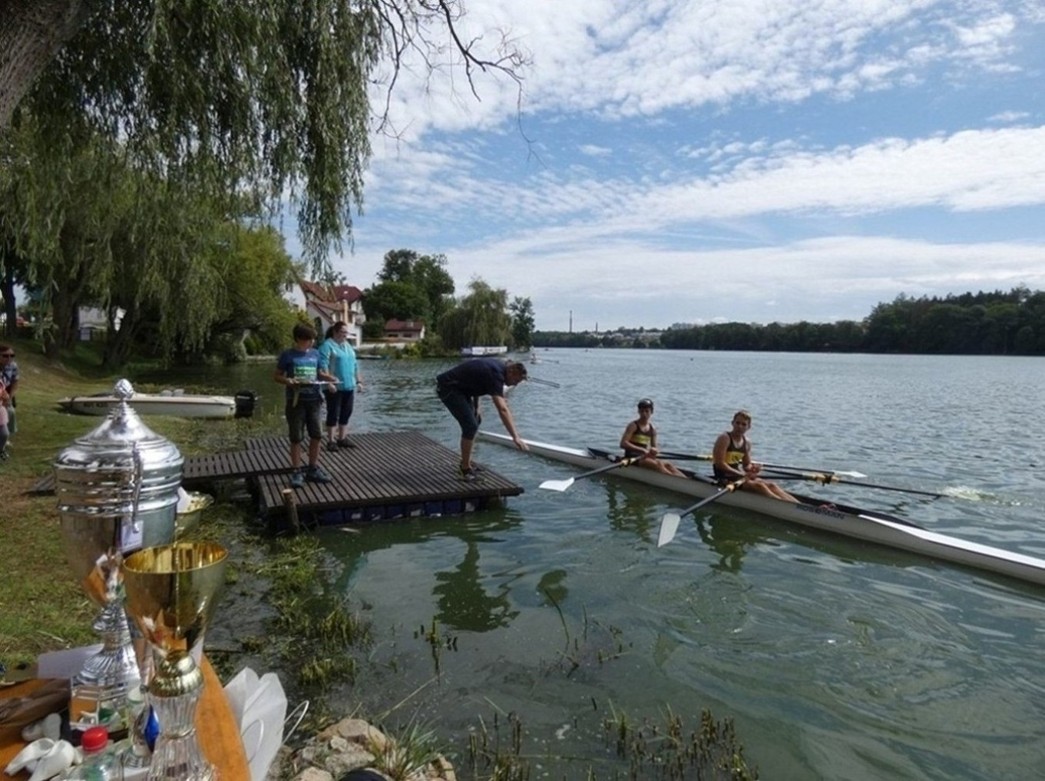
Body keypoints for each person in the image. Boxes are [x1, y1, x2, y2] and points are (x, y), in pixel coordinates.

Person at [436, 358, 529, 480]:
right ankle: (465, 470)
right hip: (448, 387)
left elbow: (477, 380)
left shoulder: (499, 369)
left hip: (461, 390)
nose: (515, 384)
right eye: (516, 380)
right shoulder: (496, 374)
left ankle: (466, 462)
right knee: (470, 426)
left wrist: (476, 407)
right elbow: (502, 409)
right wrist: (515, 437)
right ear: (511, 371)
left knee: (476, 420)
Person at [274, 323, 339, 488]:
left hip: (315, 401)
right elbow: (277, 376)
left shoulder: (315, 354)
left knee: (317, 435)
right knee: (296, 437)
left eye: (312, 339)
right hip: (296, 402)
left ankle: (312, 468)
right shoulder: (288, 355)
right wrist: (288, 381)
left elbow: (320, 373)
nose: (311, 342)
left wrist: (330, 378)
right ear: (298, 339)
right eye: (308, 339)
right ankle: (296, 471)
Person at [712, 410, 799, 503]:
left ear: (748, 427)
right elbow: (720, 464)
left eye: (744, 424)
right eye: (737, 423)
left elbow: (746, 465)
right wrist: (741, 474)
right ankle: (784, 506)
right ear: (732, 423)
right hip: (723, 478)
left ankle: (798, 505)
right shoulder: (724, 438)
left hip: (737, 476)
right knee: (759, 486)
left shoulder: (747, 442)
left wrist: (753, 469)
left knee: (772, 485)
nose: (740, 426)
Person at [317, 321, 362, 450]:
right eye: (343, 332)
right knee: (333, 412)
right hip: (334, 387)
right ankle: (331, 440)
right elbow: (323, 366)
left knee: (346, 412)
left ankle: (342, 438)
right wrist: (329, 383)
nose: (345, 335)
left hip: (349, 386)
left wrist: (359, 381)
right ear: (335, 332)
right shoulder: (327, 346)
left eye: (346, 332)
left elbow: (355, 365)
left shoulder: (348, 346)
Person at [619, 398, 686, 477]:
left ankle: (686, 480)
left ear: (651, 412)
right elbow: (623, 443)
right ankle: (674, 480)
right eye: (642, 411)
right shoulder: (633, 426)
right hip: (632, 458)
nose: (644, 414)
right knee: (658, 465)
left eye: (647, 411)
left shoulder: (652, 429)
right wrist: (643, 450)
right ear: (638, 412)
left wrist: (654, 450)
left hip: (644, 457)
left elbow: (654, 447)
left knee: (668, 464)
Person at [0, 344, 18, 447]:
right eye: (5, 356)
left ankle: (5, 436)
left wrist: (9, 399)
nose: (9, 358)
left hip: (5, 393)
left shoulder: (13, 366)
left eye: (12, 355)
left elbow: (15, 383)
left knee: (10, 411)